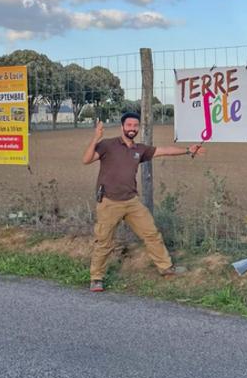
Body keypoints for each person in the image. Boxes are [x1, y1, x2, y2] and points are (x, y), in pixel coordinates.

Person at [82, 111, 203, 292]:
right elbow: (86, 160)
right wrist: (96, 138)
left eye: (135, 126)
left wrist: (188, 150)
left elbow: (163, 151)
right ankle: (96, 278)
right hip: (109, 202)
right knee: (104, 241)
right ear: (122, 126)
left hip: (132, 202)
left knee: (151, 234)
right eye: (129, 125)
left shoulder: (139, 149)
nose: (132, 129)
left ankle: (166, 268)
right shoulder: (108, 145)